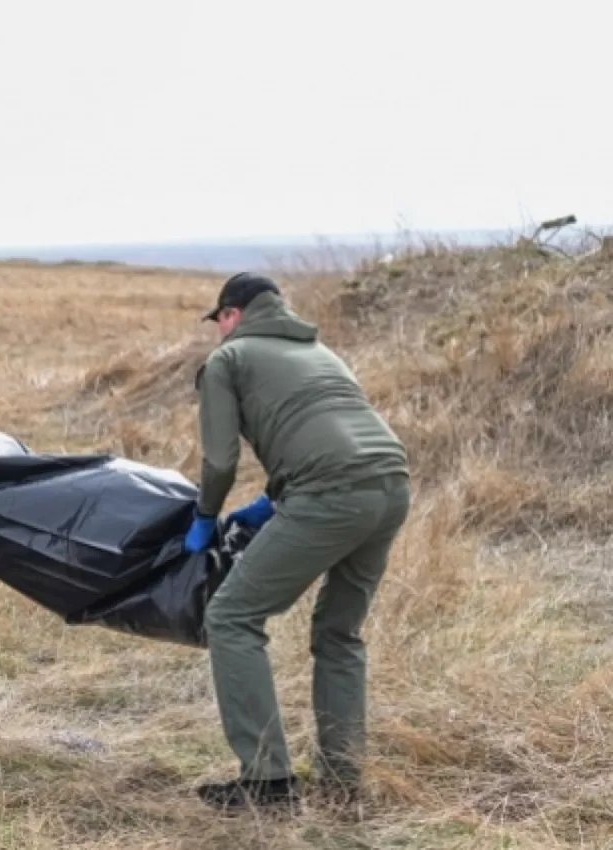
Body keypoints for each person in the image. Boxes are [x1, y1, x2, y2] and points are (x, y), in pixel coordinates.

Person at [184, 272, 410, 813]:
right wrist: (270, 503)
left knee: (232, 616)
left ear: (232, 315)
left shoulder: (227, 360)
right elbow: (326, 430)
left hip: (329, 494)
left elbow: (219, 462)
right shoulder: (321, 352)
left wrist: (205, 518)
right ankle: (342, 780)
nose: (219, 332)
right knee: (339, 632)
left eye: (219, 321)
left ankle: (267, 784)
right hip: (392, 484)